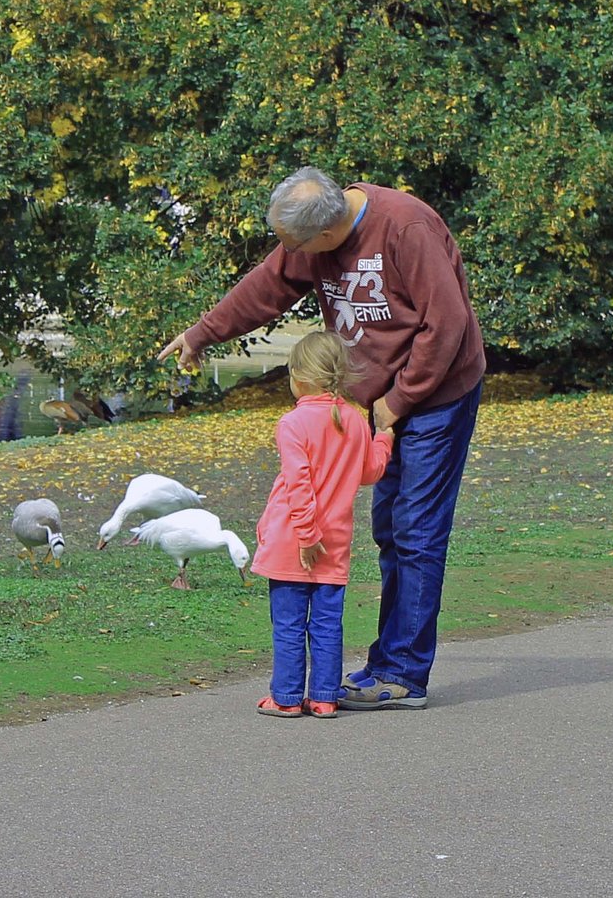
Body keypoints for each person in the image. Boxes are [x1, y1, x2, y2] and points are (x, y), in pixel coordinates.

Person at [159, 166, 484, 710]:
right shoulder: (309, 235)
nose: (286, 254)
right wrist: (203, 332)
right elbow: (266, 287)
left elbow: (445, 325)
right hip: (375, 402)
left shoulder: (406, 230)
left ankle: (402, 675)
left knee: (417, 532)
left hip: (436, 394)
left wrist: (398, 401)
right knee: (389, 527)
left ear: (329, 235)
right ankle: (388, 662)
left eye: (294, 246)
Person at [253, 331, 394, 719]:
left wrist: (305, 535)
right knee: (328, 625)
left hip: (293, 542)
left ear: (299, 377)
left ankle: (285, 697)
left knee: (289, 625)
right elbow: (370, 471)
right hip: (335, 545)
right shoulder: (352, 419)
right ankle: (324, 697)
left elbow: (299, 485)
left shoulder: (293, 423)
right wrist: (384, 438)